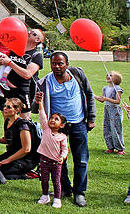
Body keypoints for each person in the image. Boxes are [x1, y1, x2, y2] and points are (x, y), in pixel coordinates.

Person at [32, 52, 95, 207]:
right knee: (59, 159)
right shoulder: (45, 82)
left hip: (79, 123)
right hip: (58, 128)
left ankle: (79, 192)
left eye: (60, 63)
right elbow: (35, 108)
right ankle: (66, 189)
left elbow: (89, 94)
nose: (57, 66)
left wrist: (91, 118)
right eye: (54, 63)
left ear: (67, 64)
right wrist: (36, 100)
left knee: (81, 159)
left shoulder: (77, 75)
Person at [0, 29, 44, 113]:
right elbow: (3, 63)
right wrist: (0, 60)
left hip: (22, 91)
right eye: (30, 31)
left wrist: (10, 63)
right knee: (7, 119)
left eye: (33, 33)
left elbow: (27, 74)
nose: (29, 32)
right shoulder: (14, 49)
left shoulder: (36, 55)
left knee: (24, 119)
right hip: (6, 89)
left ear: (37, 40)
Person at [34, 91, 69, 208]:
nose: (52, 120)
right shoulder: (46, 129)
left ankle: (57, 199)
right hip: (44, 160)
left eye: (56, 119)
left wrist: (62, 157)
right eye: (52, 118)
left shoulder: (62, 137)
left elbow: (65, 149)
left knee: (56, 181)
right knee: (44, 179)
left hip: (56, 162)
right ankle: (45, 196)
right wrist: (40, 103)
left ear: (62, 125)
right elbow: (42, 115)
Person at [0, 98, 39, 180]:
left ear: (17, 110)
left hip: (26, 159)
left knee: (0, 172)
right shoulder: (7, 121)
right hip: (12, 153)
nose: (5, 109)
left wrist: (8, 160)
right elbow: (8, 140)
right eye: (4, 106)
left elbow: (26, 149)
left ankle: (28, 174)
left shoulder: (23, 125)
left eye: (8, 107)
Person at [96, 71, 124, 154]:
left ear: (116, 79)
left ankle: (120, 149)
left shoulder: (117, 89)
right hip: (107, 109)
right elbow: (102, 99)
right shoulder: (105, 88)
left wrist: (106, 99)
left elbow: (117, 101)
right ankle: (110, 147)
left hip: (115, 110)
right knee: (107, 128)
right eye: (107, 75)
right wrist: (92, 95)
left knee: (116, 129)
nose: (108, 76)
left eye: (111, 75)